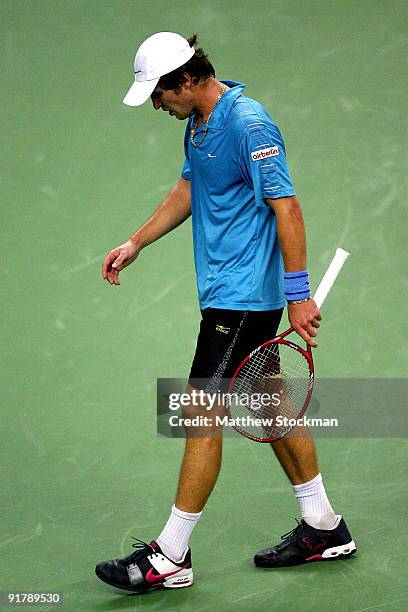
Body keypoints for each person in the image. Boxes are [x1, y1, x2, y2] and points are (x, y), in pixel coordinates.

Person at [96, 31, 356, 594]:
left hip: (242, 298)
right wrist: (137, 241)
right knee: (269, 404)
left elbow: (285, 205)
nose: (158, 106)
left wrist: (299, 292)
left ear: (186, 79)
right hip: (223, 291)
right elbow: (189, 189)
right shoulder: (200, 124)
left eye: (160, 95)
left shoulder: (249, 124)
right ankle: (323, 527)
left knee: (200, 412)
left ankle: (170, 554)